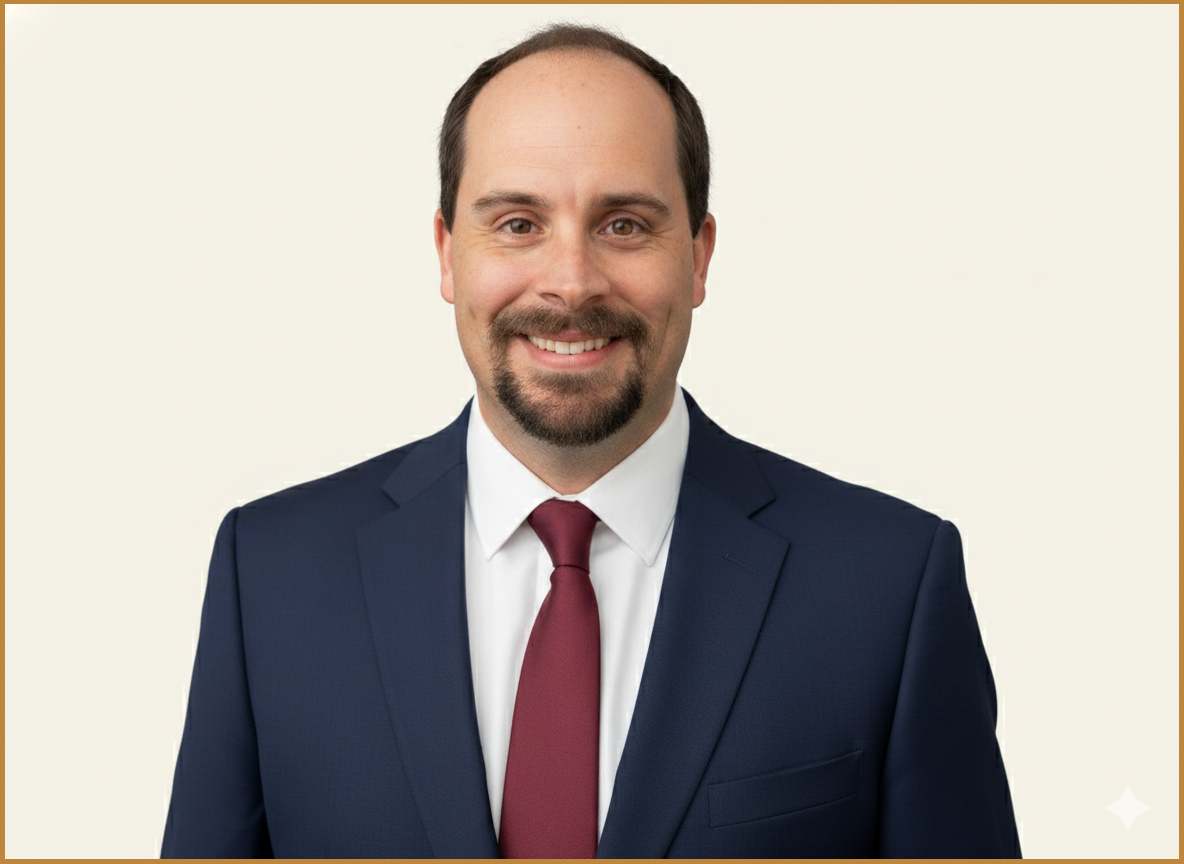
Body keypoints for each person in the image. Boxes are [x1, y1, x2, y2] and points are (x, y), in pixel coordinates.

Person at [162, 23, 1020, 858]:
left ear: (699, 258)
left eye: (624, 224)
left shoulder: (889, 586)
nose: (570, 282)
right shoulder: (269, 576)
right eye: (517, 223)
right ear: (447, 253)